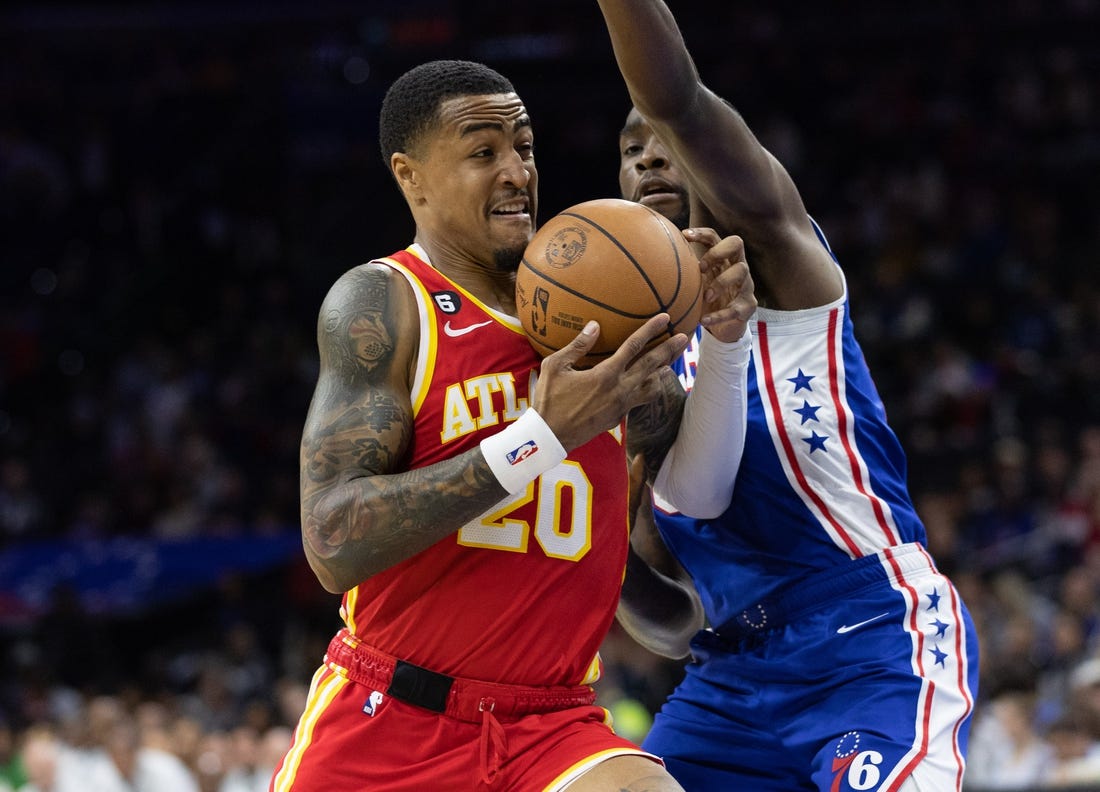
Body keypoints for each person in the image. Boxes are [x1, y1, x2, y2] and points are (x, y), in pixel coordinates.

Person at [268, 59, 755, 792]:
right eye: (482, 151)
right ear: (412, 175)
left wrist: (723, 339)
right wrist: (540, 438)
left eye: (524, 147)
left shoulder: (603, 307)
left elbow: (699, 496)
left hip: (550, 728)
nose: (515, 171)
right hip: (389, 719)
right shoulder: (386, 303)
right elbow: (333, 541)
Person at [596, 1, 981, 790]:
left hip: (869, 634)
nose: (649, 159)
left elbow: (677, 97)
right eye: (630, 153)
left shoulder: (775, 255)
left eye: (662, 144)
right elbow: (669, 624)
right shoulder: (640, 374)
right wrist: (603, 523)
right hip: (729, 677)